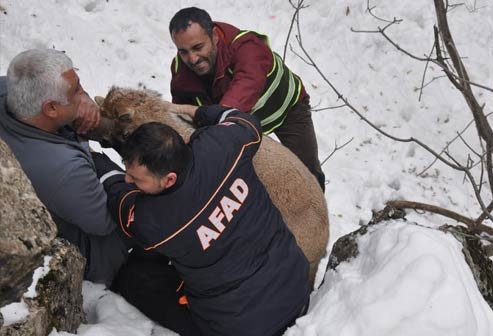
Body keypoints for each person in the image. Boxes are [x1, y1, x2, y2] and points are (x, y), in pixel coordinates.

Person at [95, 104, 310, 335]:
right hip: (296, 287)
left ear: (169, 180)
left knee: (134, 277)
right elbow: (245, 121)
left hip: (241, 328)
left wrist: (96, 160)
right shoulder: (223, 143)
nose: (128, 180)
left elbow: (119, 201)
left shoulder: (154, 219)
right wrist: (194, 111)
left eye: (136, 179)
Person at [0, 49, 130, 285]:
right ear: (51, 108)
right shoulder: (61, 167)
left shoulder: (12, 90)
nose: (84, 95)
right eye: (77, 91)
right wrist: (106, 167)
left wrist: (82, 100)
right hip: (94, 254)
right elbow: (106, 221)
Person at [168, 6, 326, 192]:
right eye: (183, 51)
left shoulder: (246, 47)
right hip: (240, 124)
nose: (192, 58)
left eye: (198, 47)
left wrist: (217, 126)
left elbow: (245, 87)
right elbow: (183, 117)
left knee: (307, 172)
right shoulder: (181, 72)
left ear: (215, 36)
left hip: (287, 110)